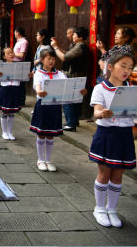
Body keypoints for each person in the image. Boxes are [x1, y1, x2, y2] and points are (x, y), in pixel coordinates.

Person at [89, 53, 136, 228]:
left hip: (125, 135)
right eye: (123, 65)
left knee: (117, 175)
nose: (127, 71)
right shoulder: (100, 88)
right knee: (104, 174)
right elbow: (96, 113)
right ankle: (99, 208)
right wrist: (103, 113)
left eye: (130, 68)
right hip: (107, 134)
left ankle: (112, 209)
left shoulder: (132, 88)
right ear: (110, 67)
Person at [30, 48, 87, 171]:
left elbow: (69, 85)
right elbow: (37, 85)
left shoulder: (59, 74)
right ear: (42, 60)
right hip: (43, 105)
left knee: (50, 135)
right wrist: (39, 91)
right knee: (41, 134)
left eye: (53, 59)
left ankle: (49, 160)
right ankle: (40, 160)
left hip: (55, 106)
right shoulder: (39, 73)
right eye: (48, 58)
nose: (51, 61)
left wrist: (79, 91)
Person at [51, 27, 89, 132]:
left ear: (80, 37)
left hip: (73, 75)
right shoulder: (77, 45)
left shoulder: (80, 47)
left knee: (67, 100)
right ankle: (73, 121)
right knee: (74, 100)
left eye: (74, 34)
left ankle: (71, 124)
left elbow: (64, 57)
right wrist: (57, 45)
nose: (72, 36)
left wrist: (55, 48)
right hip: (75, 75)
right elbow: (66, 53)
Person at [0, 48, 31, 140]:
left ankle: (10, 132)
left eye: (12, 52)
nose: (11, 54)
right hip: (6, 89)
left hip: (15, 89)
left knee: (12, 113)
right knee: (5, 112)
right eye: (8, 53)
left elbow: (23, 76)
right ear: (4, 56)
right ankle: (4, 132)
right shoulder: (1, 66)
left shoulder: (19, 66)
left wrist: (28, 75)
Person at [13, 27, 28, 106]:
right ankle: (17, 99)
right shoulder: (18, 42)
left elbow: (22, 55)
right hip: (15, 63)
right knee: (16, 83)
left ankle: (21, 101)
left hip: (20, 63)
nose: (14, 34)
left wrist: (12, 54)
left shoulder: (24, 42)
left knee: (21, 83)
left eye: (15, 32)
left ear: (17, 33)